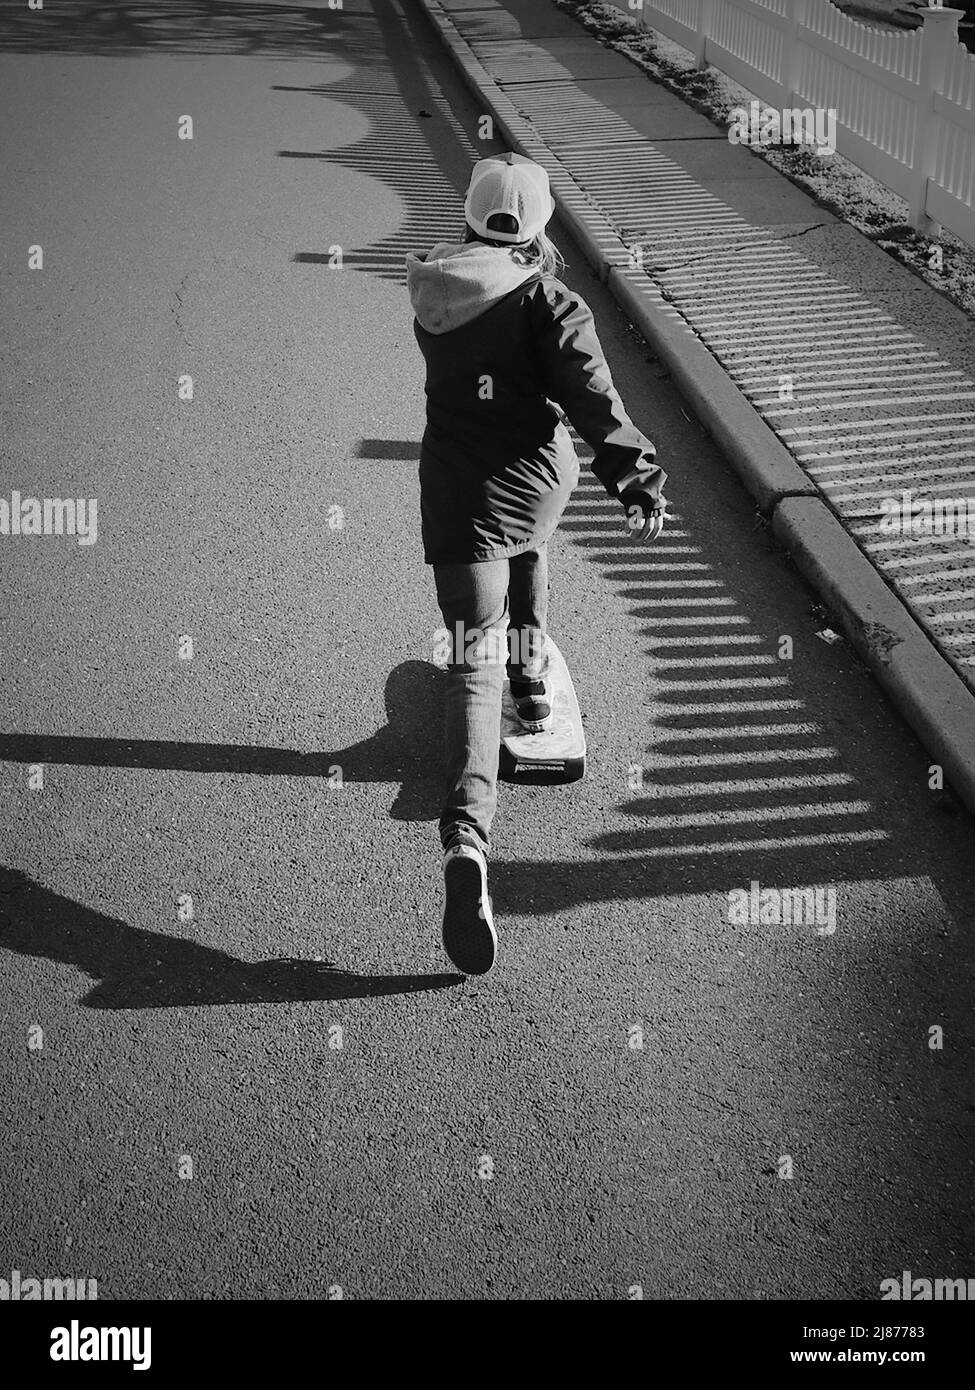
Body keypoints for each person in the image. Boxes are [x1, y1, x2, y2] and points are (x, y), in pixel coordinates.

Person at [405, 152, 668, 977]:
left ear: (471, 217)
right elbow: (593, 398)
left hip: (454, 499)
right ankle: (531, 681)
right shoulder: (551, 301)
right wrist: (634, 478)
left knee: (467, 663)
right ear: (541, 227)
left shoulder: (435, 289)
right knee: (531, 547)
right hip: (532, 482)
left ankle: (466, 845)